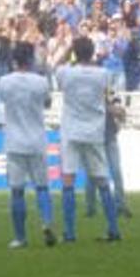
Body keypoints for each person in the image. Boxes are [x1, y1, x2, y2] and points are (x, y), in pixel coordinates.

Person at [55, 37, 121, 242]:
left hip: (71, 131)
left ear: (75, 52)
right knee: (102, 180)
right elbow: (108, 95)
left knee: (68, 180)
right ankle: (113, 228)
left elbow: (56, 66)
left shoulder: (67, 73)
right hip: (94, 131)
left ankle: (69, 232)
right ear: (93, 53)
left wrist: (67, 49)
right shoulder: (103, 74)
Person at [0, 42, 57, 249]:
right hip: (37, 140)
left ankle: (20, 237)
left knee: (17, 191)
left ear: (14, 60)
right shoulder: (40, 82)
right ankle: (46, 223)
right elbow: (47, 103)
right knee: (42, 187)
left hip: (14, 141)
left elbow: (3, 100)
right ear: (31, 59)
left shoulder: (4, 81)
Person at [85, 94, 131, 219]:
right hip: (97, 140)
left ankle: (120, 205)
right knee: (93, 175)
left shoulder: (107, 102)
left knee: (114, 172)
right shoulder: (92, 102)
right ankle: (91, 207)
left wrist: (118, 119)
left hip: (109, 139)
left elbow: (121, 113)